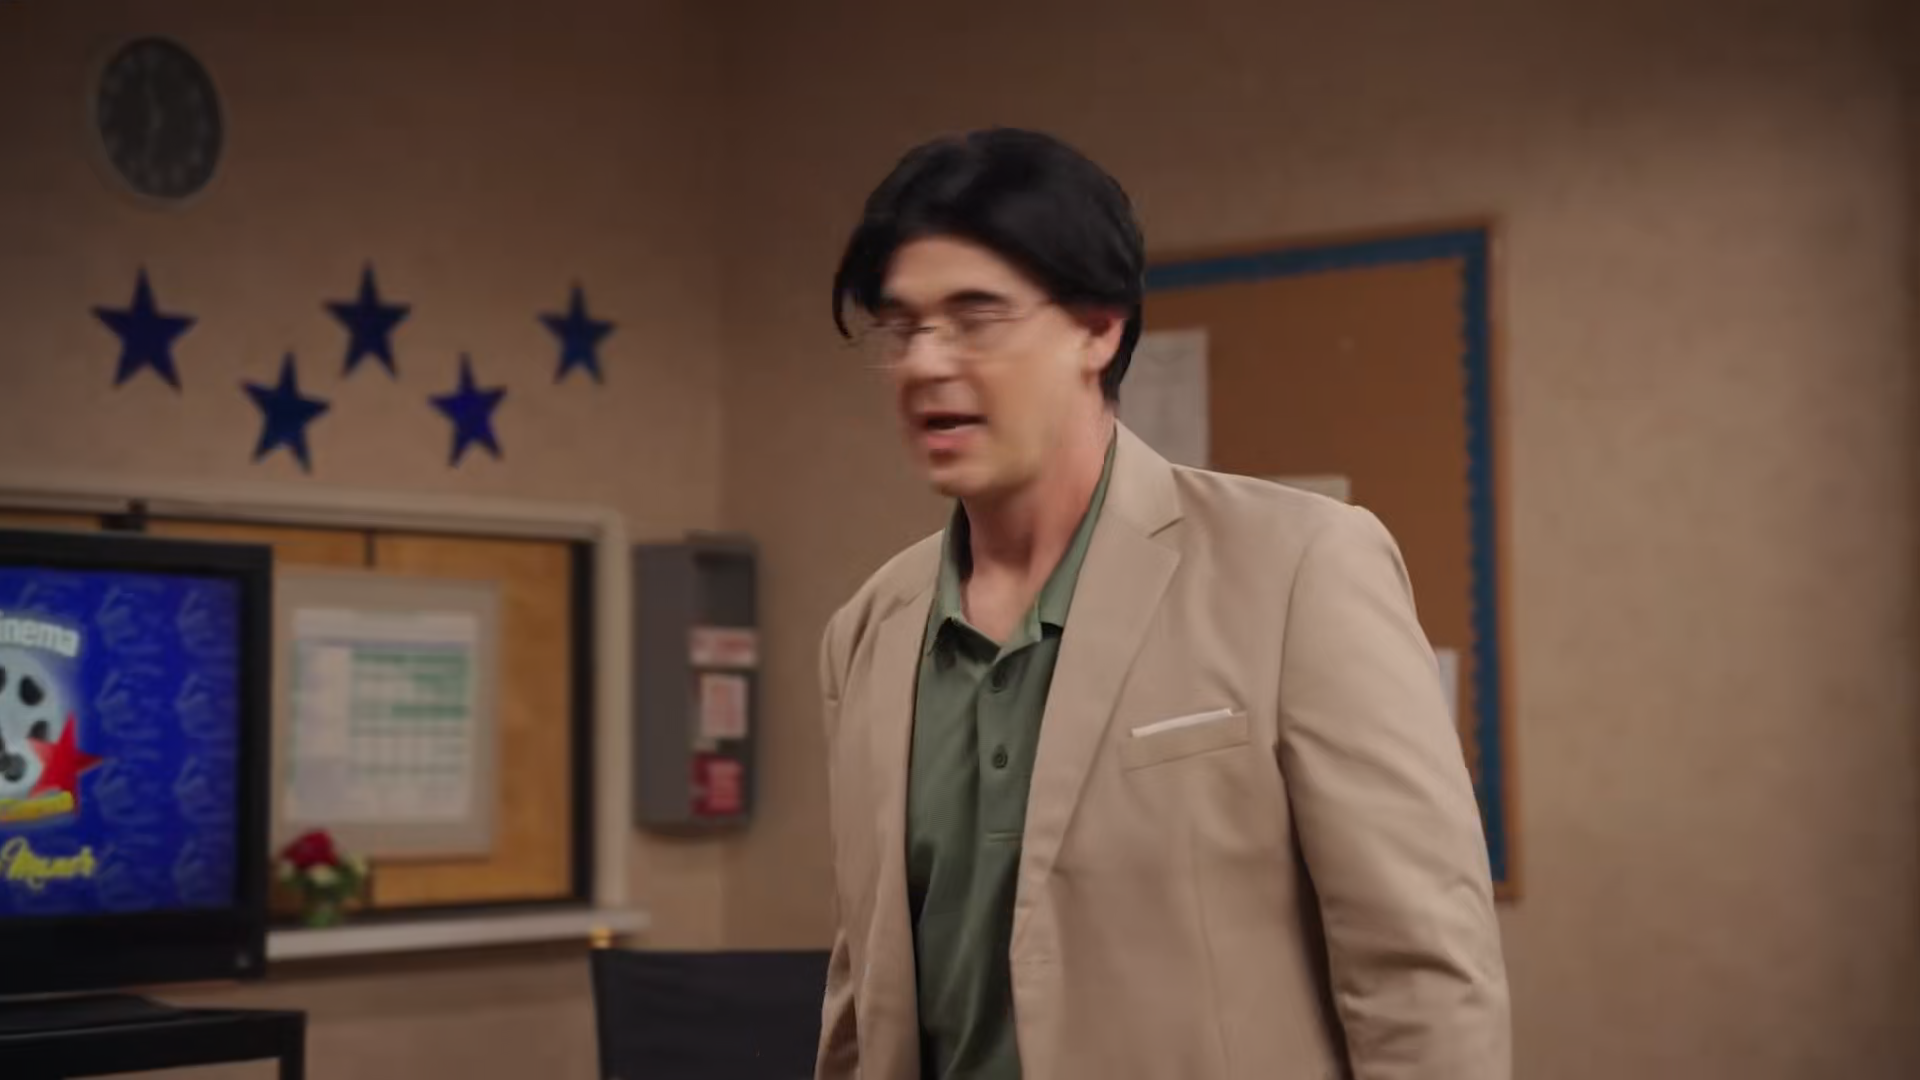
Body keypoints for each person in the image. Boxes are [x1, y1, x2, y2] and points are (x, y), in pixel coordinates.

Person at [815, 127, 1510, 1080]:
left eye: (976, 318)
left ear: (1098, 329)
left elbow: (1422, 976)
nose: (928, 363)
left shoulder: (1298, 568)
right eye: (902, 328)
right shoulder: (868, 630)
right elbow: (864, 992)